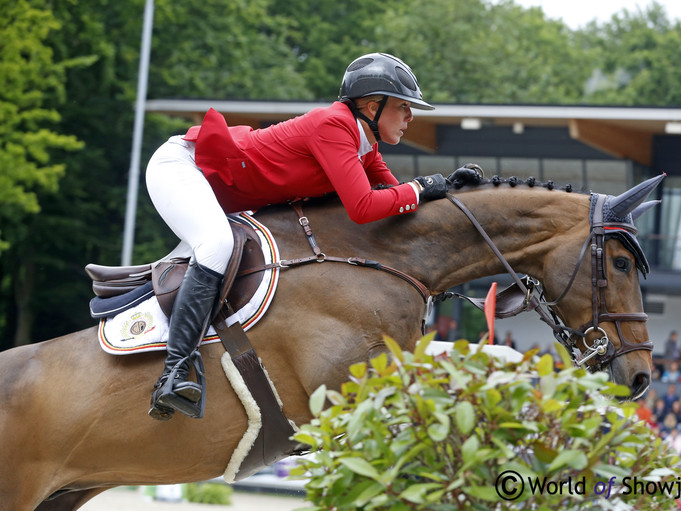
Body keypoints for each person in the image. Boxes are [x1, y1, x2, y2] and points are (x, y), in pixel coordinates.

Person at [143, 53, 483, 421]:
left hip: (216, 191)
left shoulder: (364, 147)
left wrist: (447, 190)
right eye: (403, 107)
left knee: (219, 245)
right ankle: (175, 373)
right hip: (182, 166)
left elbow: (397, 199)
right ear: (372, 106)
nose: (410, 118)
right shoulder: (333, 126)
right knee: (218, 245)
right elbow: (364, 207)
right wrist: (421, 187)